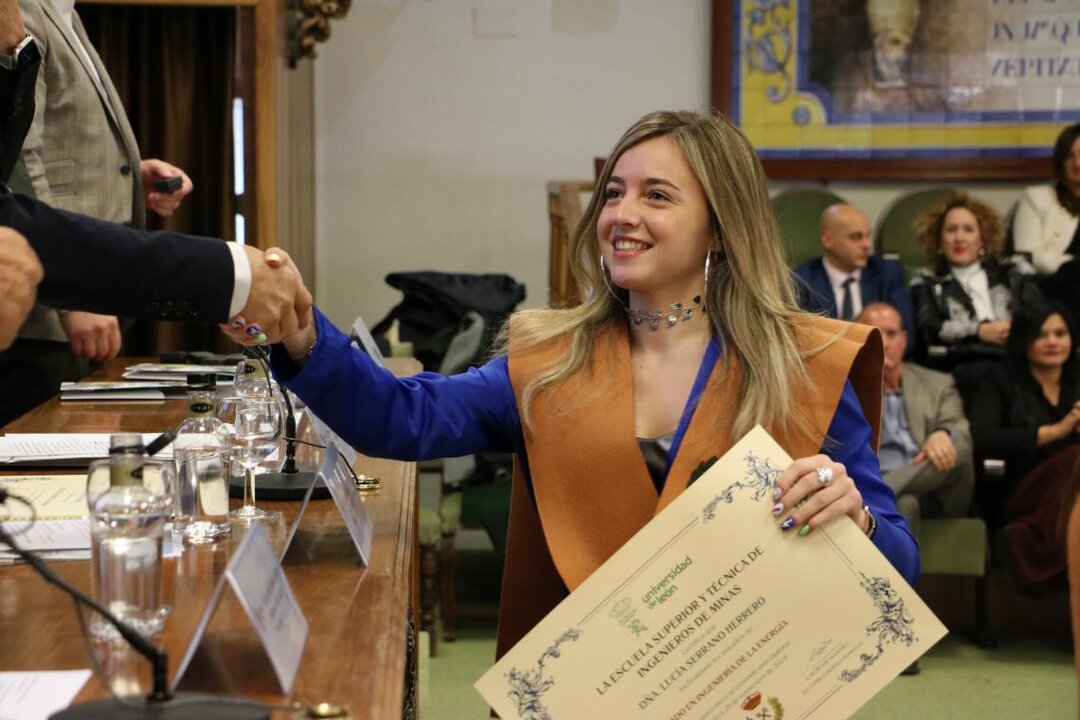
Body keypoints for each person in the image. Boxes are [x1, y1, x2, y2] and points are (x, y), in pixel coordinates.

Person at [232, 111, 918, 658]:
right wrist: (301, 332)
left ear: (719, 228)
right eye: (614, 193)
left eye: (657, 196)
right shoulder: (550, 361)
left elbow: (899, 566)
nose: (622, 215)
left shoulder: (805, 363)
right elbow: (402, 419)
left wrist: (852, 516)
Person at [970, 301, 1080, 595]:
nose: (1053, 342)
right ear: (1023, 340)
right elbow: (983, 439)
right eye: (1042, 334)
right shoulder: (999, 380)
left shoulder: (1076, 380)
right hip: (1018, 486)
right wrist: (1056, 431)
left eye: (1060, 333)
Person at [857, 302, 974, 542]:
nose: (885, 343)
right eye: (874, 333)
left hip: (936, 491)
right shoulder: (847, 388)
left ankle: (882, 489)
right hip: (889, 487)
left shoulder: (937, 382)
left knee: (959, 445)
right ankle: (903, 580)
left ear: (904, 339)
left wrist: (942, 432)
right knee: (904, 503)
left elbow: (958, 426)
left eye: (891, 333)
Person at [910, 192, 1042, 399]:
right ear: (938, 241)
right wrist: (979, 331)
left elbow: (1040, 313)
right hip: (963, 368)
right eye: (951, 230)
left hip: (1018, 358)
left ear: (983, 238)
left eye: (968, 229)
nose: (959, 238)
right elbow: (930, 327)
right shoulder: (926, 283)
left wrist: (1013, 327)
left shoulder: (1012, 273)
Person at [793, 203, 914, 350]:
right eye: (856, 237)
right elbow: (799, 341)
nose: (867, 245)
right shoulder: (802, 280)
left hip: (879, 364)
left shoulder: (886, 273)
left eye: (868, 236)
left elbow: (907, 337)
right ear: (828, 240)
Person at [1012, 123, 1080, 312]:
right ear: (1060, 161)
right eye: (1070, 156)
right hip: (1050, 286)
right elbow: (1026, 257)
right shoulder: (1036, 197)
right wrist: (1070, 262)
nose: (1078, 163)